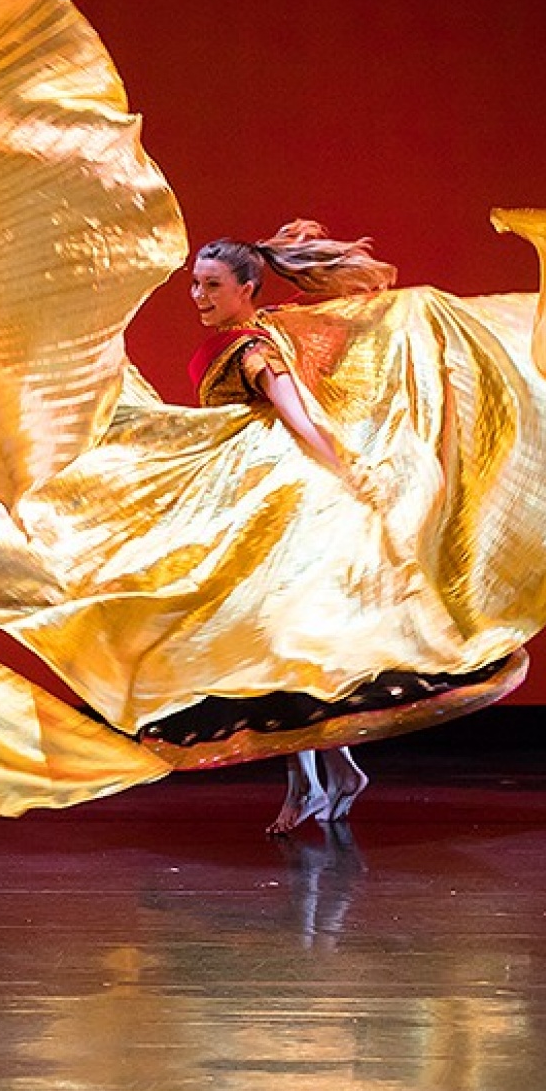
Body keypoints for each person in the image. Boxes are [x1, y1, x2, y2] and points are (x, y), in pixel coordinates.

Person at [185, 223, 390, 833]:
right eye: (194, 284)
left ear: (246, 288)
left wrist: (347, 471)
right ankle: (331, 773)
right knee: (282, 646)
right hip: (258, 504)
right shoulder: (265, 325)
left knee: (276, 643)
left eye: (212, 285)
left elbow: (296, 414)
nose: (198, 296)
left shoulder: (252, 346)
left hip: (281, 510)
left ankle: (310, 784)